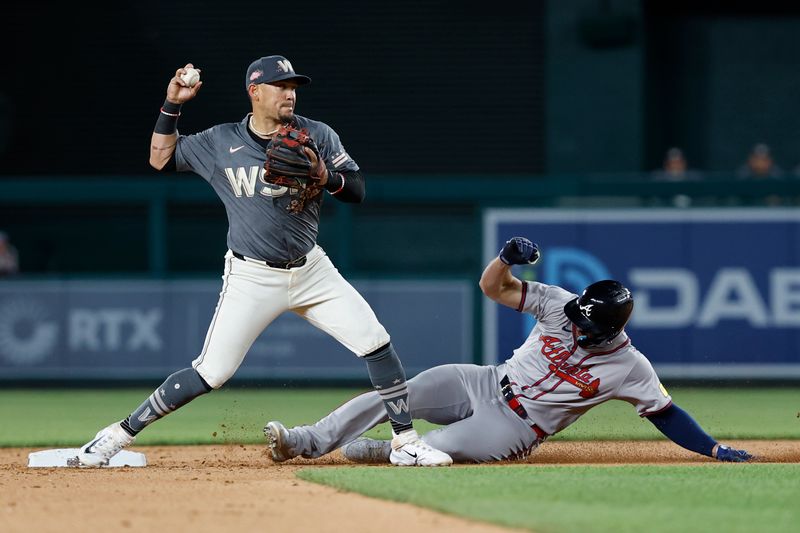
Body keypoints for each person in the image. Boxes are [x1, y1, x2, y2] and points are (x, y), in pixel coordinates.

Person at [74, 55, 451, 467]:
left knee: (376, 342)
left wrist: (327, 178)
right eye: (281, 85)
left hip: (311, 269)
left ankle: (405, 441)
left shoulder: (316, 134)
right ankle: (117, 434)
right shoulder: (221, 142)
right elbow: (160, 159)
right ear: (255, 92)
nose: (290, 93)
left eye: (293, 86)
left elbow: (357, 189)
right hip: (251, 275)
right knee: (210, 373)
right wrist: (173, 103)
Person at [265, 237, 753, 464]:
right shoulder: (563, 304)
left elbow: (666, 413)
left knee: (431, 454)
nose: (575, 324)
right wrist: (504, 258)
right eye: (578, 315)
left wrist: (711, 447)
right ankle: (303, 442)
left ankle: (381, 452)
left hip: (516, 425)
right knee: (395, 394)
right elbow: (493, 289)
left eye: (587, 325)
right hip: (483, 380)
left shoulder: (629, 368)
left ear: (609, 331)